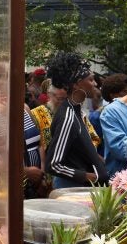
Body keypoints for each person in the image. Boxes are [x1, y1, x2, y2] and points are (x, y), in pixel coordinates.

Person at [45, 51, 108, 188]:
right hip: (71, 191)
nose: (95, 83)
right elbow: (53, 164)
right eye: (91, 80)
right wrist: (86, 176)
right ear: (77, 85)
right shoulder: (67, 116)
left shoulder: (76, 110)